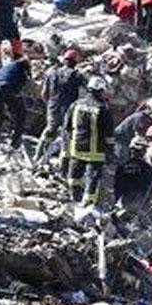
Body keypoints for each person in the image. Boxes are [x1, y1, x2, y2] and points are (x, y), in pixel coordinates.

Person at [64, 77, 114, 206]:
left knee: (74, 176)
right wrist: (110, 152)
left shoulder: (76, 104)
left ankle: (74, 197)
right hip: (95, 151)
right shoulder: (103, 109)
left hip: (77, 148)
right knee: (92, 178)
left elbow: (67, 127)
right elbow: (109, 134)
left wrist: (67, 146)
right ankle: (88, 203)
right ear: (100, 91)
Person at [36, 49, 85, 164]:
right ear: (75, 62)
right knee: (66, 135)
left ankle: (38, 156)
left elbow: (44, 93)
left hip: (53, 106)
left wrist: (49, 105)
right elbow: (86, 93)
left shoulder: (51, 73)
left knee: (49, 130)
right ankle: (62, 164)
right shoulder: (76, 75)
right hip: (68, 109)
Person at [0, 44, 29, 149]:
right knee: (21, 113)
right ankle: (15, 142)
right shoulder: (21, 73)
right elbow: (19, 90)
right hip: (4, 88)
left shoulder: (8, 66)